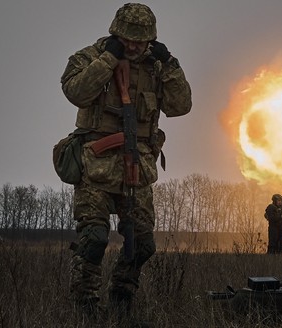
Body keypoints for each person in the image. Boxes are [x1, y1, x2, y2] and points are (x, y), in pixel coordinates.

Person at [60, 3, 192, 318]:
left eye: (141, 41)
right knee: (94, 239)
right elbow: (76, 92)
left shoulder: (157, 66)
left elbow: (181, 105)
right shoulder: (91, 56)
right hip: (97, 166)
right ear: (116, 33)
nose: (134, 46)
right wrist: (108, 59)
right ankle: (86, 308)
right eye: (128, 39)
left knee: (143, 244)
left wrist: (170, 64)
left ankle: (121, 301)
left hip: (138, 167)